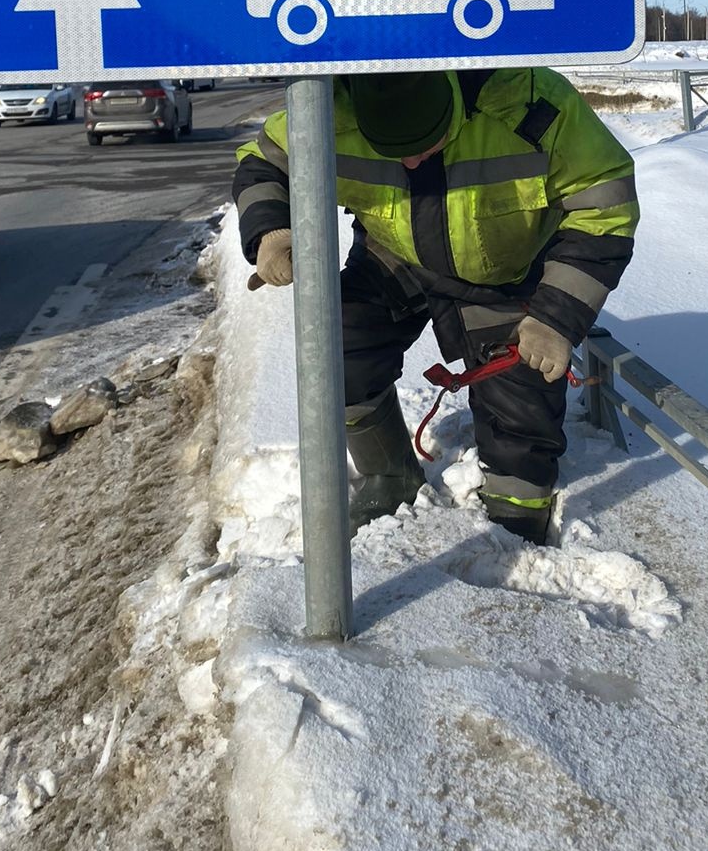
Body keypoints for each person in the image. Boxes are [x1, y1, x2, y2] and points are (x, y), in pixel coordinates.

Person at [234, 69, 638, 544]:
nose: (410, 162)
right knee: (335, 346)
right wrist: (271, 231)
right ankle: (389, 476)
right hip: (395, 255)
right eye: (393, 151)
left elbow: (606, 204)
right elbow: (263, 163)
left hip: (506, 271)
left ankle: (518, 520)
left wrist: (556, 317)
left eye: (426, 143)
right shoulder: (330, 108)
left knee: (521, 421)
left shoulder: (530, 104)